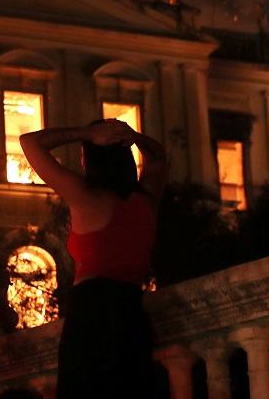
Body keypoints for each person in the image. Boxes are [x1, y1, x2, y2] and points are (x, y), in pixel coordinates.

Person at [19, 119, 167, 399]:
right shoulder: (146, 199)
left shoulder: (86, 198)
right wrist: (132, 136)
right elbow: (158, 156)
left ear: (90, 159)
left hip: (91, 313)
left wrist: (85, 132)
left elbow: (30, 143)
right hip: (131, 311)